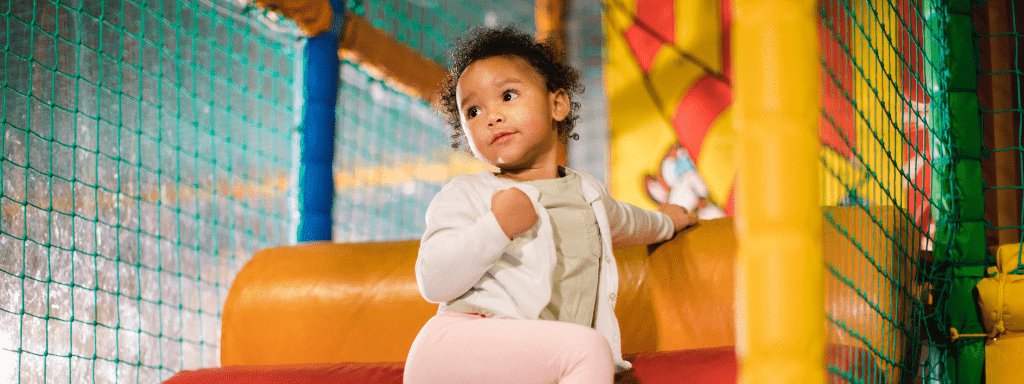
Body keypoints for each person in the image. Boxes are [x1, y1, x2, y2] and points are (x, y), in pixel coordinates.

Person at [403, 26, 698, 383]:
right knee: (588, 351)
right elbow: (433, 281)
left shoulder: (588, 195)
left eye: (508, 95)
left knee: (591, 355)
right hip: (455, 349)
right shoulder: (468, 193)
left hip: (533, 365)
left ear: (558, 104)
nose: (492, 116)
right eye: (474, 111)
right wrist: (495, 227)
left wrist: (667, 221)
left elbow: (629, 222)